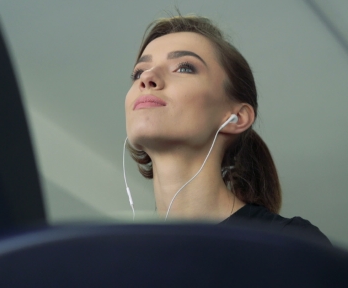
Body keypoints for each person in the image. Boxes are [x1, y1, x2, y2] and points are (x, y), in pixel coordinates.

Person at [124, 15, 331, 246]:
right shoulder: (119, 262)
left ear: (237, 118)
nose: (148, 78)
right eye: (138, 73)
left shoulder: (289, 243)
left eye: (184, 67)